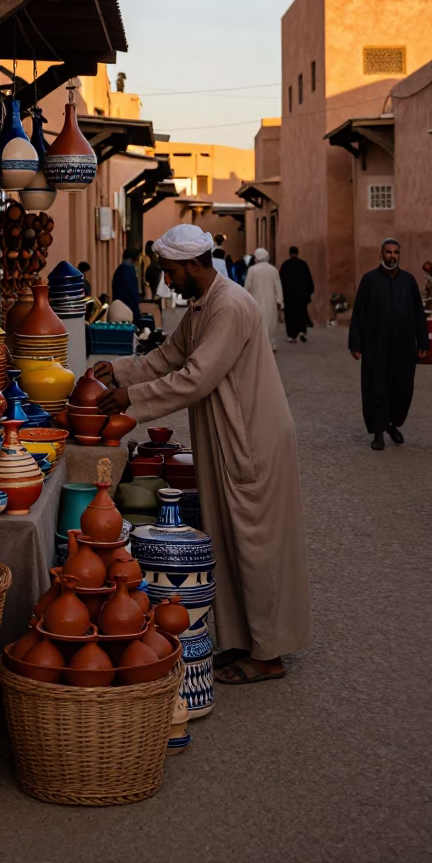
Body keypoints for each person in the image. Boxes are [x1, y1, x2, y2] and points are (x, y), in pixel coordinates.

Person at [95, 223, 312, 685]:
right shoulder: (200, 307)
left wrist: (131, 402)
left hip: (252, 439)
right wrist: (117, 372)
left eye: (170, 272)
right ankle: (239, 641)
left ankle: (269, 654)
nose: (165, 281)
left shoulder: (229, 305)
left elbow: (195, 377)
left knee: (256, 547)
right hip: (224, 437)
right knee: (226, 540)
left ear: (195, 265)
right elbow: (164, 359)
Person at [349, 238, 429, 450]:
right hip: (376, 344)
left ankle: (393, 424)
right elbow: (359, 313)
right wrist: (356, 344)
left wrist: (423, 341)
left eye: (396, 253)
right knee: (377, 386)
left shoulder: (408, 281)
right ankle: (378, 432)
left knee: (402, 387)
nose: (392, 256)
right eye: (388, 252)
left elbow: (419, 313)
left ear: (399, 255)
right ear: (381, 254)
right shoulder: (369, 280)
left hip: (403, 346)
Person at [244, 247, 283, 351]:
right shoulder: (273, 270)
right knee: (270, 322)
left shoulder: (252, 270)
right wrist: (280, 301)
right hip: (270, 301)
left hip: (255, 300)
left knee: (257, 323)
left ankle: (258, 344)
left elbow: (247, 287)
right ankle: (271, 343)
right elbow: (278, 287)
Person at [279, 246, 315, 343]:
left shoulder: (285, 265)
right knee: (302, 313)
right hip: (301, 296)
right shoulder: (303, 264)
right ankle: (302, 331)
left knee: (290, 315)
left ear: (289, 253)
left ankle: (292, 335)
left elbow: (281, 280)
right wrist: (309, 292)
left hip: (289, 296)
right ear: (297, 253)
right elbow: (309, 280)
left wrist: (280, 295)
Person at [110, 248, 142, 324]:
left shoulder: (119, 269)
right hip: (128, 311)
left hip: (118, 309)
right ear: (135, 258)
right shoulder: (129, 270)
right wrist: (137, 313)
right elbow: (132, 293)